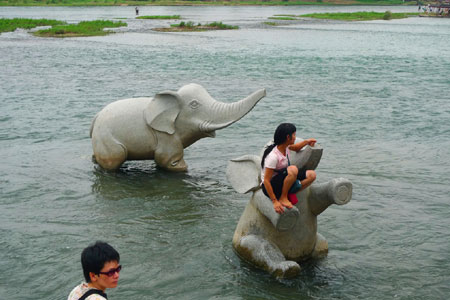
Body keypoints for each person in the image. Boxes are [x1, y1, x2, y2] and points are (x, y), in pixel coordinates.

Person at [261, 123, 317, 214]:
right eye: (294, 134)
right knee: (293, 169)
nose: (295, 137)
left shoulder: (285, 147)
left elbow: (296, 147)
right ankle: (283, 197)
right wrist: (274, 201)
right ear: (288, 137)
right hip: (271, 186)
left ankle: (289, 192)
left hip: (283, 178)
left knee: (312, 175)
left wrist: (307, 142)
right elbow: (266, 181)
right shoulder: (273, 156)